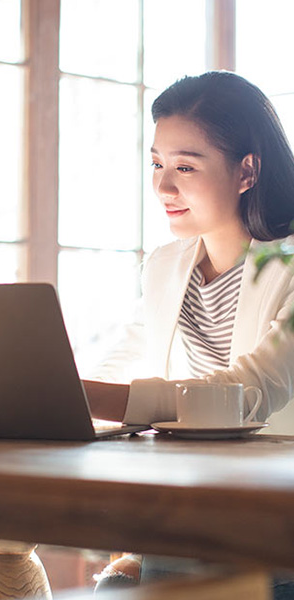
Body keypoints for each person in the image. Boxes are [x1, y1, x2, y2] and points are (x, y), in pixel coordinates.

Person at [85, 70, 294, 598]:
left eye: (185, 166)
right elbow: (126, 356)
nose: (162, 185)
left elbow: (247, 393)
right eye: (157, 163)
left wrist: (80, 393)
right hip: (201, 500)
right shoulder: (165, 266)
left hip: (275, 506)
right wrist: (56, 391)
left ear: (247, 171)